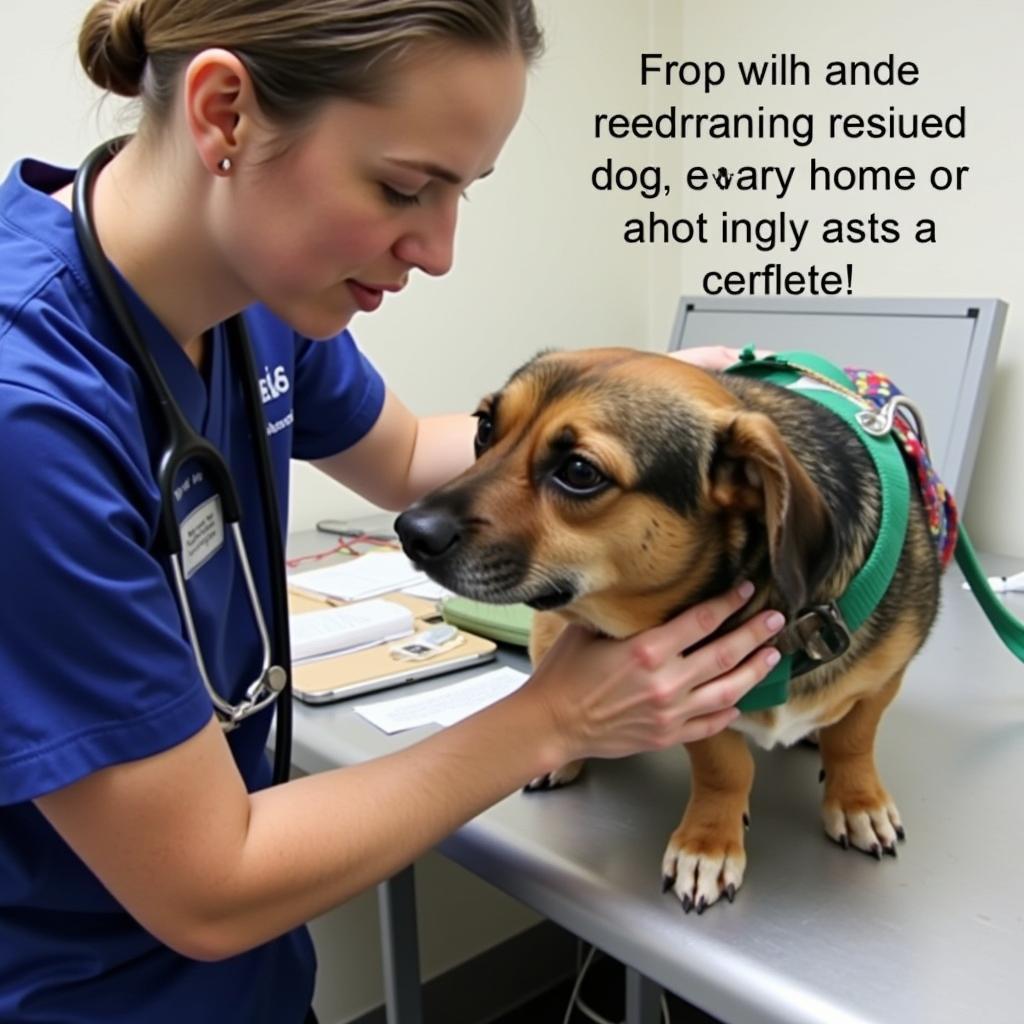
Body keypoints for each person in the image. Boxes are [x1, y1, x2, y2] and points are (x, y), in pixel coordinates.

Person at [0, 2, 786, 1021]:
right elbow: (208, 888)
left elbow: (412, 452)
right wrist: (557, 715)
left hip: (251, 980)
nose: (439, 249)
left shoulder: (252, 293)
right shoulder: (29, 415)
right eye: (405, 187)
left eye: (461, 193)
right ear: (226, 113)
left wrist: (655, 392)